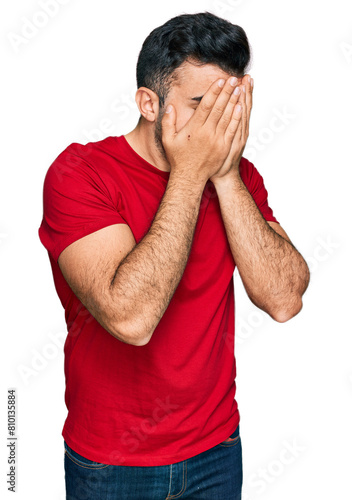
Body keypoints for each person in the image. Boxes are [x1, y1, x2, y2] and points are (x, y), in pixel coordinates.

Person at [38, 11, 310, 500]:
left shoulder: (238, 179)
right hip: (112, 463)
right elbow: (132, 319)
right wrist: (190, 173)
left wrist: (223, 175)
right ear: (149, 103)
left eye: (231, 103)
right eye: (203, 104)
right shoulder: (79, 173)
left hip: (217, 450)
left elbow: (285, 299)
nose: (219, 123)